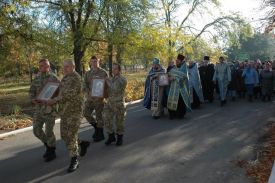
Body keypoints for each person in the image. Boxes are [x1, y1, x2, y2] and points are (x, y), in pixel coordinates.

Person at [47, 59, 90, 173]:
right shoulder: (65, 78)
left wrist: (54, 100)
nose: (64, 69)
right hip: (65, 111)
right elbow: (60, 92)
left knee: (70, 135)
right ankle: (82, 144)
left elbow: (68, 95)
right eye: (64, 67)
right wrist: (48, 95)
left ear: (73, 67)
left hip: (75, 112)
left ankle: (74, 160)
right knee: (64, 135)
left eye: (67, 67)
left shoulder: (76, 78)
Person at [29, 58, 59, 162]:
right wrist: (33, 99)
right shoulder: (36, 79)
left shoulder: (54, 78)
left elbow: (60, 94)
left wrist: (54, 100)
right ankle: (48, 146)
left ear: (49, 66)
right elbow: (31, 92)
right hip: (38, 110)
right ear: (39, 67)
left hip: (49, 110)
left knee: (49, 131)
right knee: (36, 130)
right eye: (41, 66)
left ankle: (52, 151)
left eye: (46, 65)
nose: (44, 67)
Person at [83, 56, 108, 142]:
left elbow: (107, 85)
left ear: (98, 61)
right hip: (90, 98)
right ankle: (96, 128)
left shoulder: (103, 72)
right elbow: (84, 85)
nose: (94, 63)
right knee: (86, 113)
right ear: (90, 62)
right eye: (92, 61)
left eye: (95, 61)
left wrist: (104, 94)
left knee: (99, 117)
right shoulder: (87, 73)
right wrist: (88, 92)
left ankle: (100, 134)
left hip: (99, 99)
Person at [103, 63, 127, 146]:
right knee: (106, 118)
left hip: (119, 104)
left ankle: (120, 137)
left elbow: (115, 88)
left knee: (119, 122)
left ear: (119, 70)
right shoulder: (111, 79)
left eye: (115, 69)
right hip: (109, 103)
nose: (113, 70)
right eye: (112, 69)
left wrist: (107, 81)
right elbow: (107, 89)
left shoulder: (122, 79)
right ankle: (111, 136)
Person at [167, 54, 191, 119]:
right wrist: (169, 77)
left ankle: (180, 114)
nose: (176, 62)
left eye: (178, 61)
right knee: (171, 99)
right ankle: (172, 114)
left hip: (181, 88)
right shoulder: (175, 67)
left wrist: (174, 77)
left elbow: (183, 77)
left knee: (180, 101)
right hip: (173, 87)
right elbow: (169, 73)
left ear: (181, 61)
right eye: (176, 60)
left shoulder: (184, 68)